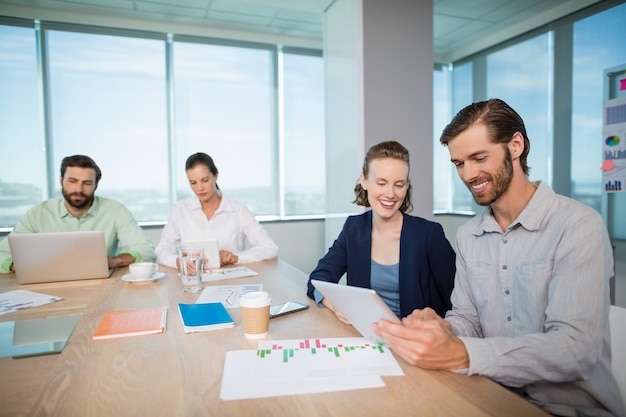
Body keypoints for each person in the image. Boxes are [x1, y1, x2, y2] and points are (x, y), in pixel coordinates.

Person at [373, 99, 625, 417]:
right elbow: (467, 320)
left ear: (516, 145)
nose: (468, 174)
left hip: (567, 409)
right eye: (459, 163)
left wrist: (461, 354)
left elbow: (576, 350)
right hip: (489, 395)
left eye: (479, 158)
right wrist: (443, 330)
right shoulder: (468, 236)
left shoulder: (577, 226)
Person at [306, 141, 456, 322]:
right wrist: (334, 304)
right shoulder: (354, 228)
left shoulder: (429, 234)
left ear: (407, 185)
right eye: (381, 183)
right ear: (364, 180)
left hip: (412, 341)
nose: (390, 193)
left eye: (399, 184)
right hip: (364, 336)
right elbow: (318, 279)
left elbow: (458, 301)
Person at [0, 155, 156, 272]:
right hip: (47, 287)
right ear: (61, 180)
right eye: (72, 181)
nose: (79, 190)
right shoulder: (38, 213)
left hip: (100, 286)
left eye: (87, 183)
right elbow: (3, 253)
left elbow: (146, 251)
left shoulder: (115, 210)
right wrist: (22, 267)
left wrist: (114, 261)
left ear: (96, 185)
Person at [155, 152, 278, 269]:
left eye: (205, 180)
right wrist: (178, 261)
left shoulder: (238, 210)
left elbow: (270, 248)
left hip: (230, 281)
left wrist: (236, 258)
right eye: (193, 182)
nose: (200, 188)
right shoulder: (181, 210)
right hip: (193, 280)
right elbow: (162, 250)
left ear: (216, 175)